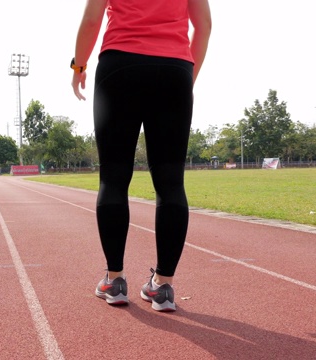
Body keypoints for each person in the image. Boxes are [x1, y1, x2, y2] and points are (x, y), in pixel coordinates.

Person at [71, 0, 212, 311]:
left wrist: (78, 65)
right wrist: (186, 76)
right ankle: (163, 287)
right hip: (174, 68)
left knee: (114, 177)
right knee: (171, 181)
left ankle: (114, 280)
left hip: (119, 66)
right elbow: (203, 25)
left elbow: (93, 18)